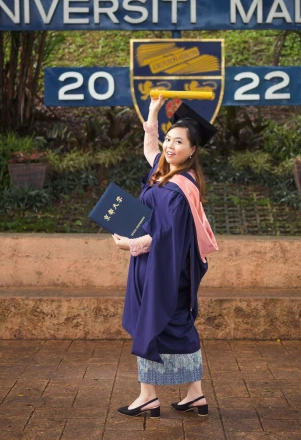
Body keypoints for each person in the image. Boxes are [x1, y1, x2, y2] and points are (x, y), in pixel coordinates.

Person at [112, 95, 219, 419]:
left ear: (192, 150)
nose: (170, 146)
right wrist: (154, 112)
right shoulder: (166, 173)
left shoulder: (180, 189)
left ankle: (148, 397)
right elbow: (149, 149)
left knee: (155, 323)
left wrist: (132, 245)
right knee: (178, 327)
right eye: (168, 139)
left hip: (166, 268)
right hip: (158, 266)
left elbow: (166, 238)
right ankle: (195, 395)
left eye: (178, 142)